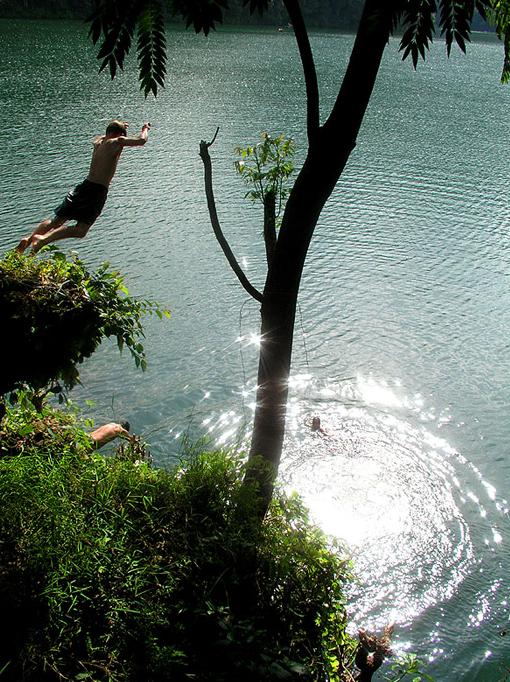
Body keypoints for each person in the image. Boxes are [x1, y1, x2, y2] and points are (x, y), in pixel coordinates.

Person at [16, 120, 150, 253]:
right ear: (119, 134)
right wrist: (145, 129)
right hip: (97, 192)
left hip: (83, 186)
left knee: (57, 220)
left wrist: (120, 127)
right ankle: (43, 239)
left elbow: (108, 134)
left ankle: (28, 240)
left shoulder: (98, 142)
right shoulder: (117, 141)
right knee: (81, 230)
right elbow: (141, 140)